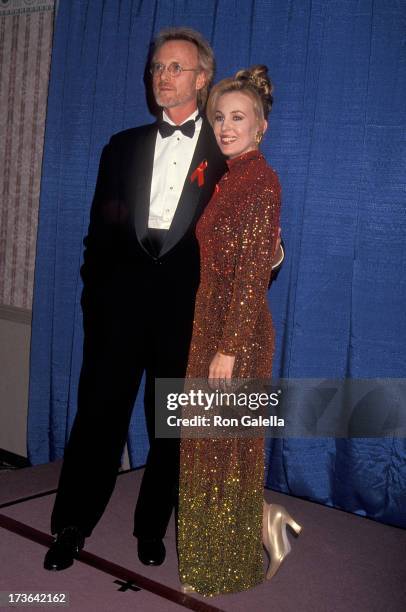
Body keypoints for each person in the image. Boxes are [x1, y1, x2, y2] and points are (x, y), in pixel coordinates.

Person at [43, 27, 284, 572]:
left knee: (170, 430)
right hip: (117, 315)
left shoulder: (227, 153)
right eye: (157, 67)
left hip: (189, 319)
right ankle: (72, 526)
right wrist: (95, 301)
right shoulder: (120, 146)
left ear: (202, 80)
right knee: (97, 419)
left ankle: (150, 527)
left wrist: (273, 256)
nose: (162, 77)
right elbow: (98, 237)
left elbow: (255, 238)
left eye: (175, 68)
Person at [177, 66, 301, 596]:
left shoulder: (261, 180)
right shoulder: (231, 177)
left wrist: (228, 348)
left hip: (238, 336)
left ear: (262, 125)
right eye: (220, 117)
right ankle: (259, 523)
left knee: (222, 448)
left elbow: (253, 274)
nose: (227, 126)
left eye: (239, 118)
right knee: (209, 445)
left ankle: (227, 564)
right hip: (213, 326)